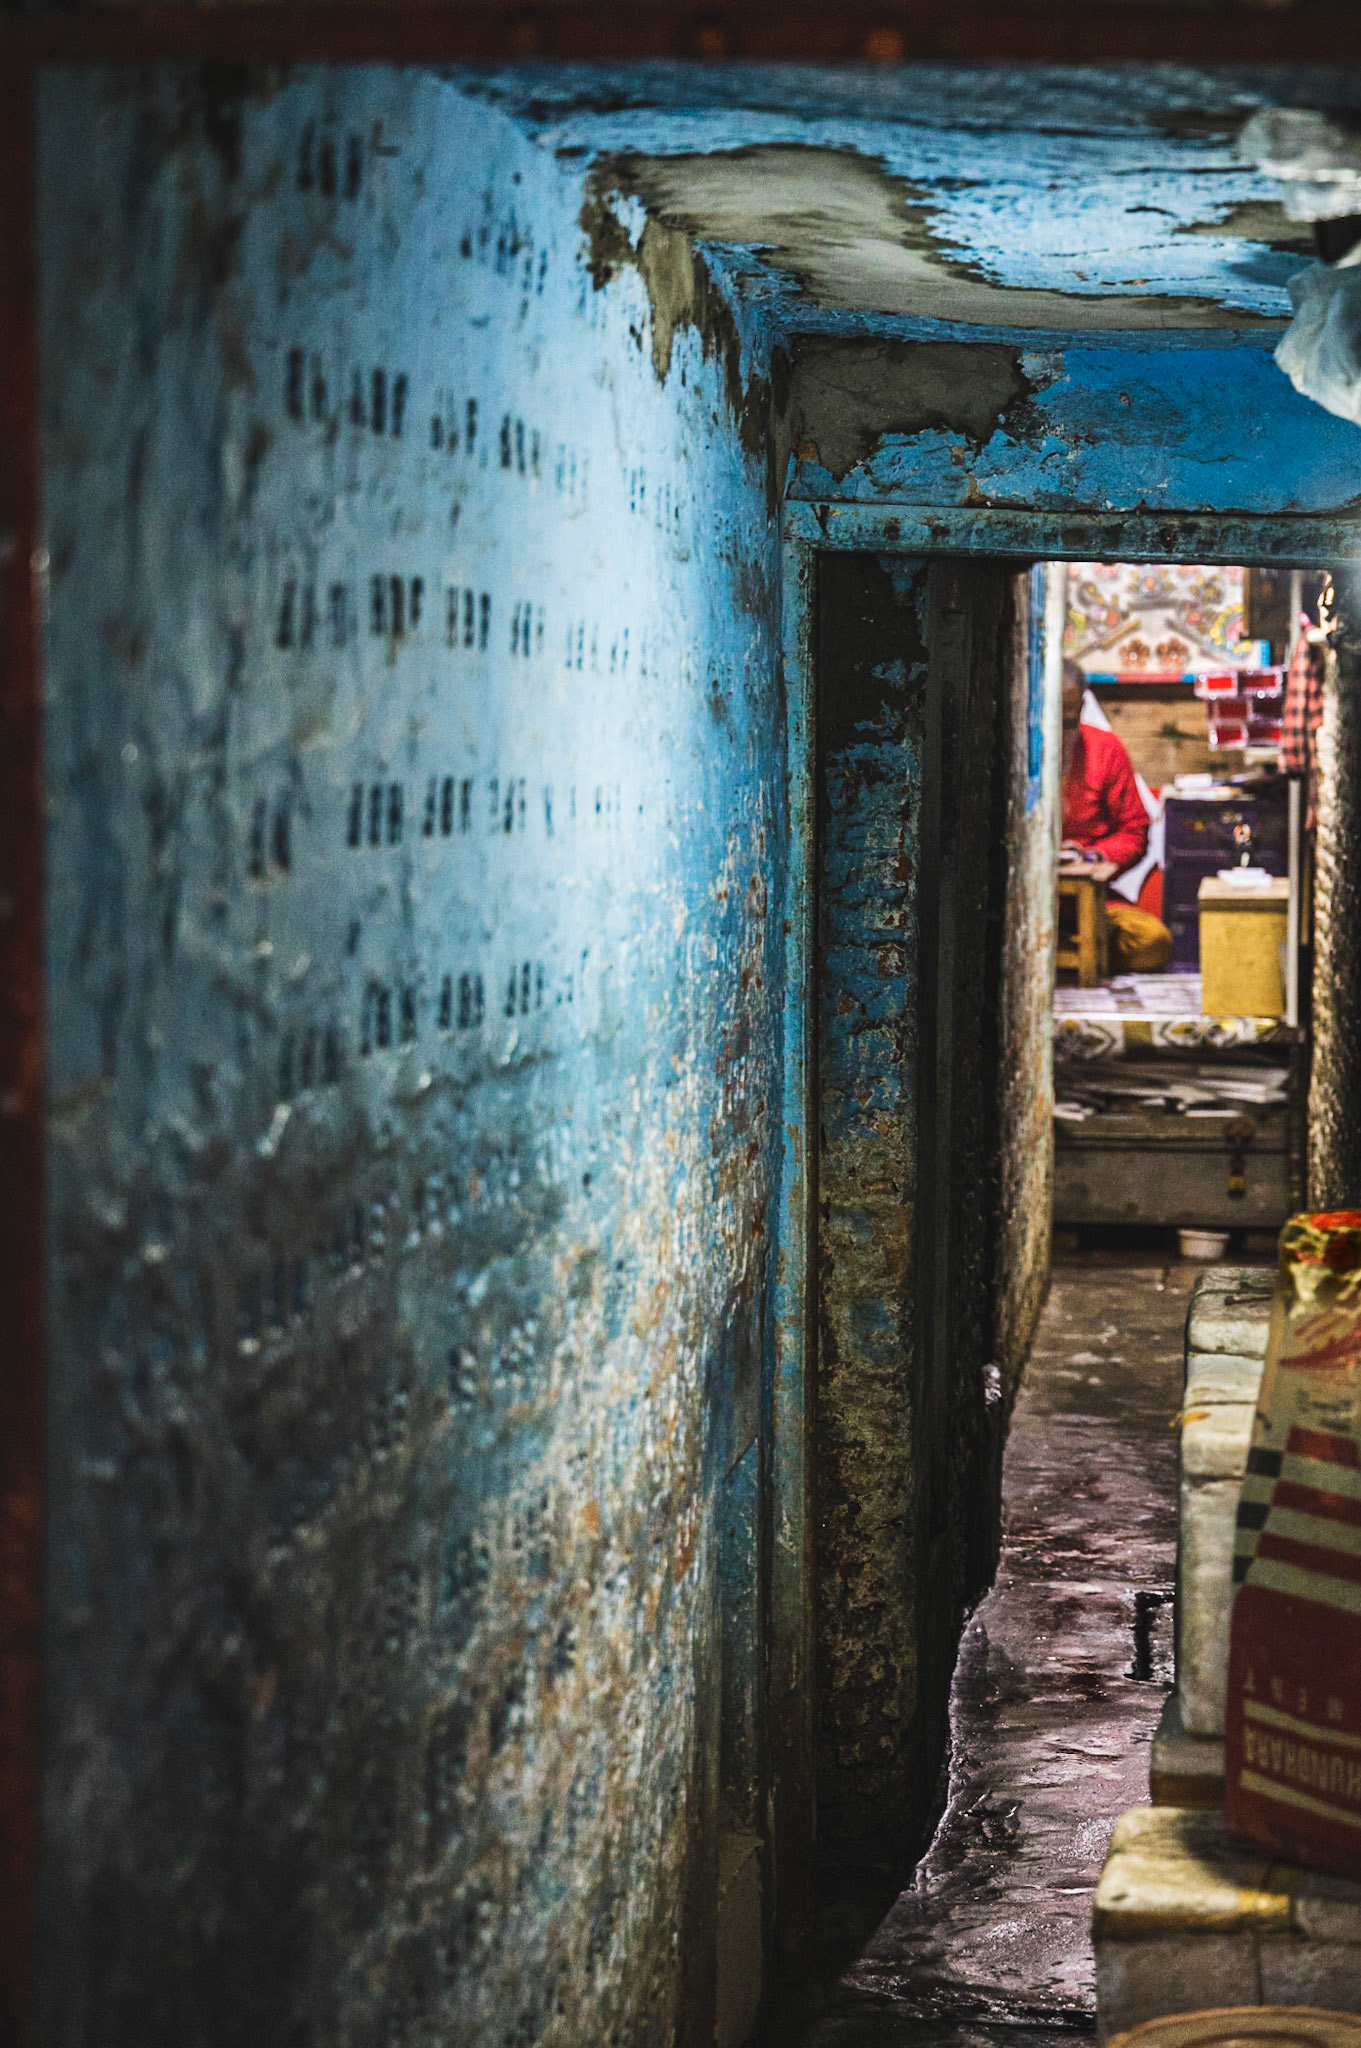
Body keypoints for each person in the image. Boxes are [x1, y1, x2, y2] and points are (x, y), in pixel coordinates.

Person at [1060, 659, 1173, 973]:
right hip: (1023, 905)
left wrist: (1091, 856)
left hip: (1089, 904)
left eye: (1067, 722)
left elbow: (1135, 830)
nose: (1060, 733)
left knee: (1152, 942)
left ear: (1081, 706)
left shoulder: (1103, 748)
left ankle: (1070, 953)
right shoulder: (1020, 748)